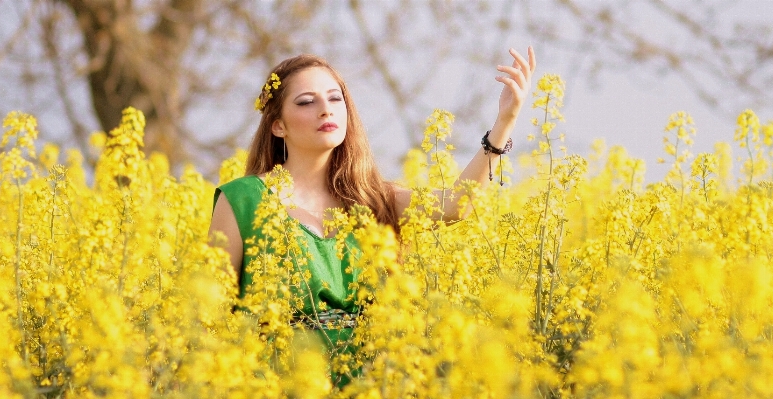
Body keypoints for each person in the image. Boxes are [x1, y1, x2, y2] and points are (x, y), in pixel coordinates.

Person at [209, 47, 536, 383]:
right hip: (275, 382)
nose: (325, 110)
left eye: (335, 99)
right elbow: (211, 314)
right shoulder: (242, 200)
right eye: (307, 101)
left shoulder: (373, 199)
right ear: (278, 126)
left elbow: (456, 205)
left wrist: (505, 121)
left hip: (369, 382)